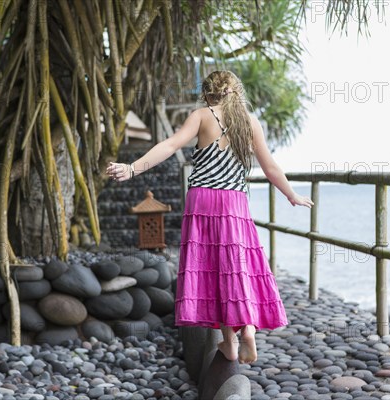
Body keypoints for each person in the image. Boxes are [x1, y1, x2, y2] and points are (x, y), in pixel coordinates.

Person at [106, 70, 313, 364]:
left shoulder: (202, 116)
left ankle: (229, 342)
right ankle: (248, 330)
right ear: (237, 91)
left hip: (203, 200)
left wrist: (132, 168)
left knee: (214, 269)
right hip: (234, 203)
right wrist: (292, 195)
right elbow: (270, 168)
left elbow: (171, 145)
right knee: (237, 266)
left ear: (208, 92)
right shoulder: (249, 122)